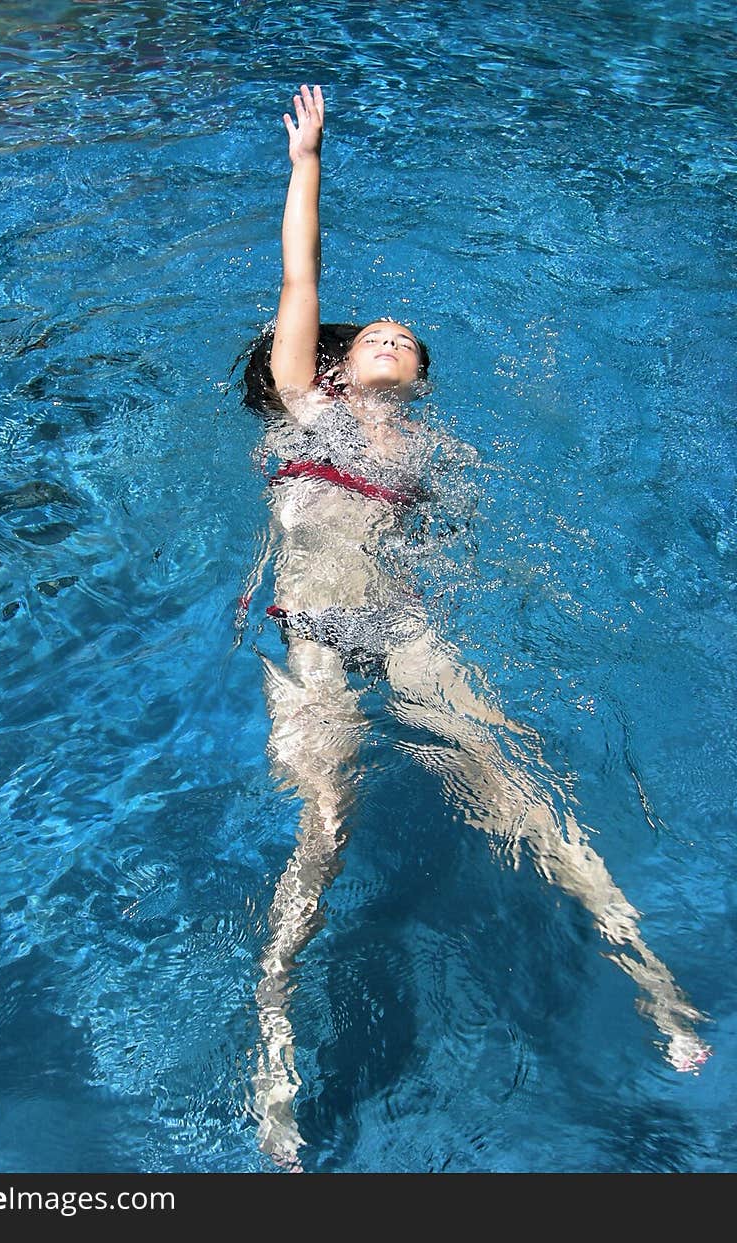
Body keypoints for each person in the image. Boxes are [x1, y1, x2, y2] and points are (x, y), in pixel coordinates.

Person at [243, 84, 710, 1172]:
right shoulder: (305, 406)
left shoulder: (434, 453)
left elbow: (470, 548)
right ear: (327, 368)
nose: (394, 336)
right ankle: (275, 1041)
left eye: (409, 339)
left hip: (405, 629)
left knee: (524, 797)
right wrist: (307, 161)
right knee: (326, 830)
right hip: (309, 629)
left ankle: (653, 986)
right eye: (378, 335)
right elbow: (301, 278)